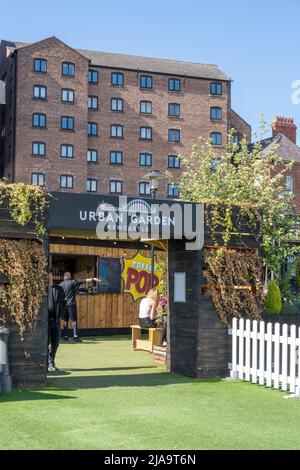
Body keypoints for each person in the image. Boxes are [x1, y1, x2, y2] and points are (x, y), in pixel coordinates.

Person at [60, 272, 100, 342]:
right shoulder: (72, 282)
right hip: (71, 304)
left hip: (64, 305)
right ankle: (75, 336)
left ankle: (65, 336)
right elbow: (84, 280)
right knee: (74, 320)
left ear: (64, 277)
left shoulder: (60, 285)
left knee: (65, 320)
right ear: (69, 276)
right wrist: (93, 279)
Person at [48, 270, 65, 371]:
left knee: (55, 343)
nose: (48, 278)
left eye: (49, 275)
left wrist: (61, 314)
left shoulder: (59, 289)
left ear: (52, 276)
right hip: (45, 322)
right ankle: (45, 363)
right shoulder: (41, 290)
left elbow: (64, 302)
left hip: (56, 321)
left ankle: (51, 362)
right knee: (45, 343)